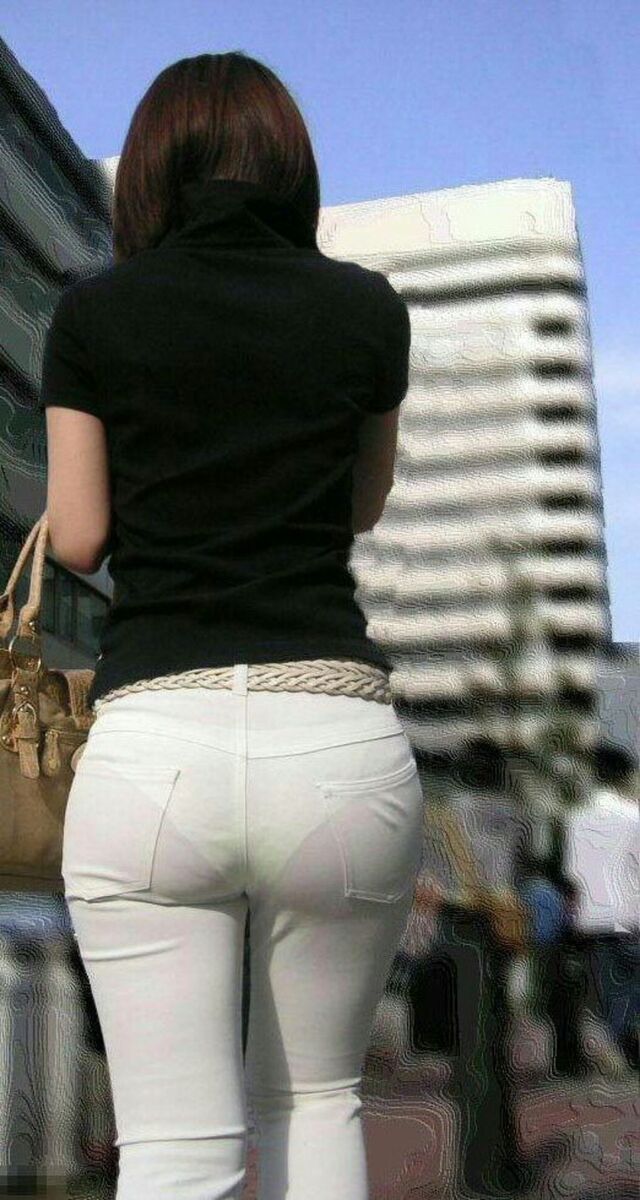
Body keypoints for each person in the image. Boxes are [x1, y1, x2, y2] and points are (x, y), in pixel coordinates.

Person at [39, 52, 419, 1200]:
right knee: (314, 1102)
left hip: (157, 748)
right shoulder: (367, 310)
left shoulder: (94, 313)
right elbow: (359, 506)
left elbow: (78, 537)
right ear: (289, 164)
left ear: (151, 171)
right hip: (335, 743)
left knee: (173, 1145)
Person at [563, 743, 639, 1071]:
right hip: (633, 916)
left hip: (596, 917)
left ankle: (622, 1043)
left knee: (612, 990)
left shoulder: (577, 818)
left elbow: (573, 873)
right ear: (625, 776)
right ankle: (628, 1041)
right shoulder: (634, 816)